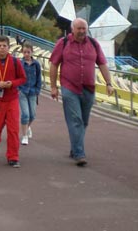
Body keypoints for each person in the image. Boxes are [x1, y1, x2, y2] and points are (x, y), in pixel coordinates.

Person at [49, 18, 114, 167]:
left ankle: (75, 147)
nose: (82, 31)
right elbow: (54, 64)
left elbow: (102, 64)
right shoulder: (63, 43)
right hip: (69, 87)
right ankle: (79, 154)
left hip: (88, 88)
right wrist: (53, 87)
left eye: (84, 28)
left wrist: (109, 83)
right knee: (76, 120)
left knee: (84, 121)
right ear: (72, 29)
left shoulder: (94, 44)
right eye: (79, 28)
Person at [0, 35, 26, 168]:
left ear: (9, 47)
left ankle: (13, 157)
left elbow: (22, 78)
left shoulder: (15, 62)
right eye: (0, 46)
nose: (2, 48)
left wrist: (12, 83)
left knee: (13, 129)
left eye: (4, 46)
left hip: (12, 99)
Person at [19, 43, 42, 145]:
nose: (26, 54)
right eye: (24, 52)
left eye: (28, 52)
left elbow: (39, 78)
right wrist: (18, 89)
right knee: (25, 114)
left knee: (32, 115)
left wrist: (37, 90)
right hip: (22, 91)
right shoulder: (20, 63)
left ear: (32, 52)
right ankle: (24, 136)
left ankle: (27, 127)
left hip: (33, 91)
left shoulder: (36, 64)